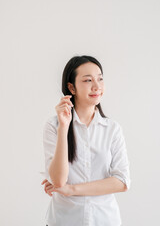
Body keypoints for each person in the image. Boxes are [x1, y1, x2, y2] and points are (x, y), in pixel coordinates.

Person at [41, 55, 131, 226]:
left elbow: (122, 181)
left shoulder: (112, 129)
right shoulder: (54, 126)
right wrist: (63, 127)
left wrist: (71, 189)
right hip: (64, 220)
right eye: (88, 80)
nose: (97, 86)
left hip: (105, 220)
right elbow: (58, 181)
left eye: (100, 79)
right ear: (71, 88)